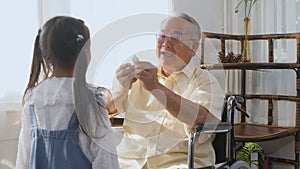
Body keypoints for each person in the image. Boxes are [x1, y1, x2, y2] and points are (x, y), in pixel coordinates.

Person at [106, 13, 225, 168]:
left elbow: (201, 118)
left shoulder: (204, 81)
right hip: (129, 161)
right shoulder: (142, 76)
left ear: (194, 47)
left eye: (175, 38)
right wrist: (121, 88)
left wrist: (156, 88)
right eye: (162, 36)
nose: (165, 44)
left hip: (178, 162)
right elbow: (107, 108)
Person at [15, 16, 119, 169]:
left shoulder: (33, 99)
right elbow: (107, 163)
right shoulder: (91, 101)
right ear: (85, 54)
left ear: (44, 53)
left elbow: (23, 161)